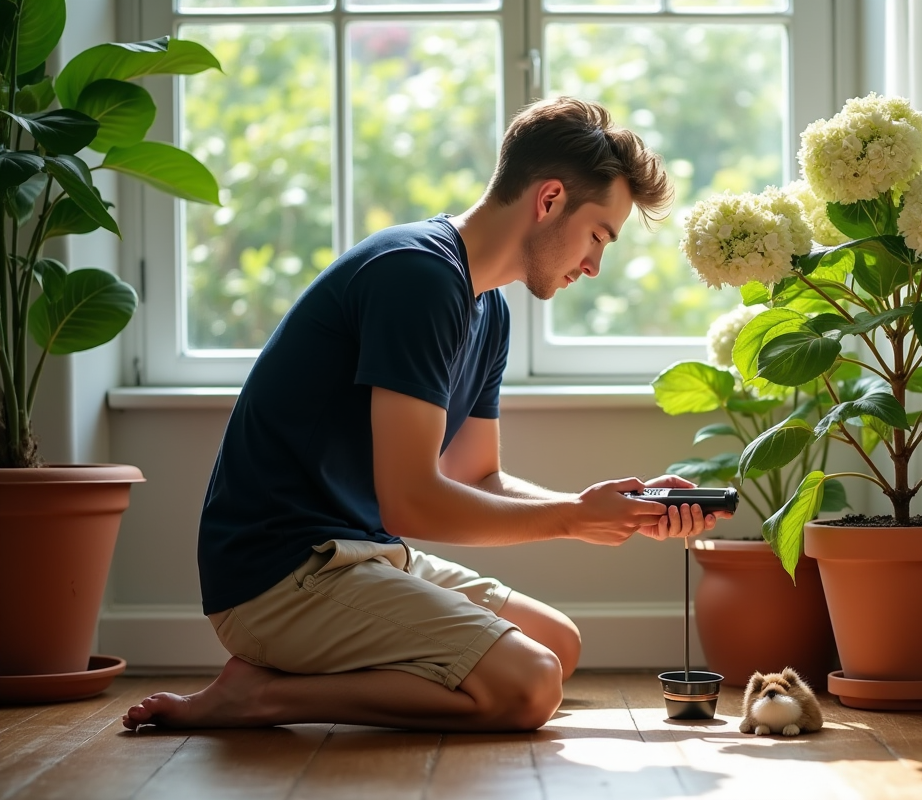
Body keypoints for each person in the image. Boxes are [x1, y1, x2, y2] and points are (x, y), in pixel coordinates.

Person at [122, 97, 726, 733]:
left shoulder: (488, 309)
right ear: (549, 200)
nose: (594, 265)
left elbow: (475, 476)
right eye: (598, 236)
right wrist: (575, 520)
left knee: (559, 643)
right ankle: (263, 697)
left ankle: (289, 679)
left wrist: (607, 506)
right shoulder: (418, 277)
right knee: (530, 685)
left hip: (361, 555)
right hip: (280, 575)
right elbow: (410, 504)